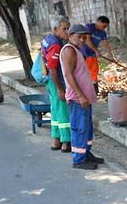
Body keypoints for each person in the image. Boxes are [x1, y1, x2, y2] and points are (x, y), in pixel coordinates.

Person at [60, 24, 104, 170]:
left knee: (87, 128)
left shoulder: (76, 50)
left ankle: (86, 153)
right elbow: (68, 74)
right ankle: (78, 160)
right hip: (78, 98)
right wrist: (80, 95)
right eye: (79, 36)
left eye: (84, 37)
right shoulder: (69, 51)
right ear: (70, 35)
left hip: (84, 97)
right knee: (79, 128)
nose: (82, 39)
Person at [41, 16, 71, 152]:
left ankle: (56, 139)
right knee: (63, 110)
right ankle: (65, 141)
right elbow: (53, 68)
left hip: (49, 81)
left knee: (55, 110)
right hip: (56, 80)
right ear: (55, 29)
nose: (67, 32)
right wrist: (60, 89)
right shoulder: (56, 44)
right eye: (64, 29)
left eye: (68, 28)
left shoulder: (47, 39)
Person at [80, 15, 115, 94]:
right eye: (103, 26)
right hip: (83, 53)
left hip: (92, 55)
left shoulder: (102, 33)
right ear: (99, 22)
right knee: (84, 72)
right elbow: (87, 40)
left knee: (94, 71)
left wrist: (111, 55)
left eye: (105, 27)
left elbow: (106, 44)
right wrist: (96, 51)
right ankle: (84, 89)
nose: (104, 28)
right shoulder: (89, 27)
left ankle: (95, 91)